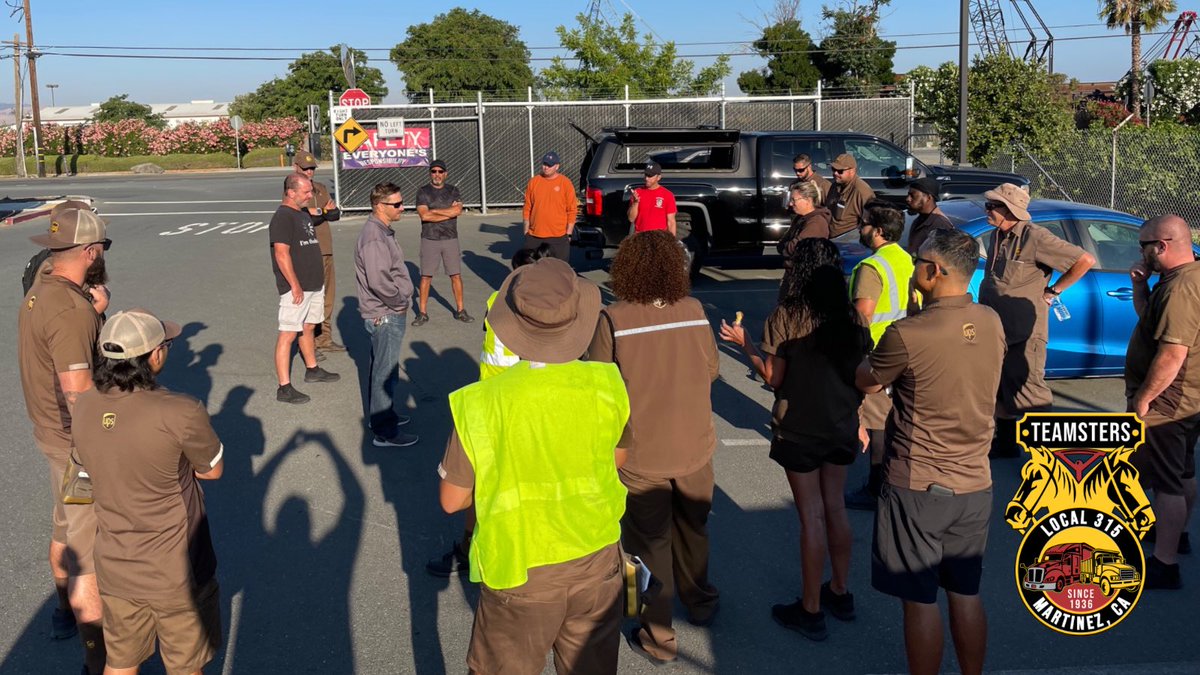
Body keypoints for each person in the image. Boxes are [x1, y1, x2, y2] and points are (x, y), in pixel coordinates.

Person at [438, 258, 630, 675]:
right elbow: (618, 458)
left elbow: (452, 500)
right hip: (597, 559)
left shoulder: (480, 403)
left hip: (520, 568)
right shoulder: (608, 383)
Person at [855, 229, 1005, 675]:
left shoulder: (908, 332)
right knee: (965, 592)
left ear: (934, 271)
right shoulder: (991, 321)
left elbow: (867, 379)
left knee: (919, 598)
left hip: (918, 483)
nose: (914, 267)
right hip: (975, 482)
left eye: (919, 261)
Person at [721, 238, 868, 642]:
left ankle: (811, 609)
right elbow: (861, 374)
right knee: (836, 506)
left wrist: (745, 344)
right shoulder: (853, 317)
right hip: (841, 424)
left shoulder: (787, 316)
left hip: (799, 427)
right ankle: (840, 591)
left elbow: (774, 377)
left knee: (811, 516)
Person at [588, 231, 720, 663]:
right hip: (695, 444)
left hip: (641, 452)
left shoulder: (613, 318)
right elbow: (712, 369)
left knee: (646, 544)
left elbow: (599, 387)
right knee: (694, 527)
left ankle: (657, 633)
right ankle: (701, 601)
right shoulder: (694, 310)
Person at [72, 309, 224, 675]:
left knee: (120, 662)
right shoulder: (181, 411)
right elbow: (212, 470)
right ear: (154, 355)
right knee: (185, 666)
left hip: (115, 564)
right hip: (175, 569)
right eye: (166, 343)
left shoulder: (84, 405)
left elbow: (80, 480)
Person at [17, 207, 111, 674]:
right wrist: (104, 448)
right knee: (87, 553)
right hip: (75, 445)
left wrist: (95, 310)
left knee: (64, 526)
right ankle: (99, 660)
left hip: (50, 434)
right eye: (103, 249)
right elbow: (78, 393)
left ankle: (60, 612)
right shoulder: (72, 312)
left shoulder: (42, 289)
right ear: (90, 252)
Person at [424, 244, 550, 578]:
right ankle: (512, 545)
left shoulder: (497, 300)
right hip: (520, 403)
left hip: (494, 402)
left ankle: (470, 548)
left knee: (482, 482)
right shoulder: (542, 309)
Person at [977, 183, 1095, 457]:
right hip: (998, 329)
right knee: (1001, 387)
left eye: (992, 206)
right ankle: (1006, 444)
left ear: (1009, 210)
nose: (987, 210)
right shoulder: (997, 234)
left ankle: (1050, 458)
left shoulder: (1036, 237)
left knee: (1031, 394)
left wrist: (1054, 291)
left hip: (1024, 333)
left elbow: (1085, 260)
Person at [1125, 214, 1200, 589]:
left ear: (1162, 246)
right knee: (1182, 470)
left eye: (1144, 246)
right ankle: (1177, 534)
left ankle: (1164, 564)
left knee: (1167, 481)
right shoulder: (1180, 278)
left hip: (1171, 400)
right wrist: (1140, 288)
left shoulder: (1181, 288)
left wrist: (1144, 398)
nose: (1141, 253)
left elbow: (1172, 353)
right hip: (1187, 396)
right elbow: (1149, 323)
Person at [845, 201, 914, 512]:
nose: (860, 228)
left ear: (879, 231)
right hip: (907, 345)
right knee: (896, 416)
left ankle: (877, 488)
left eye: (865, 224)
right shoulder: (905, 258)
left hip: (877, 348)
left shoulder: (872, 267)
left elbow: (863, 314)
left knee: (877, 422)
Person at [354, 182, 419, 448]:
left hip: (386, 311)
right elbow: (379, 280)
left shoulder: (381, 231)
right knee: (384, 372)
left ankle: (383, 416)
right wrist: (400, 302)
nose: (402, 208)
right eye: (397, 204)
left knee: (385, 369)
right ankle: (384, 431)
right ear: (380, 206)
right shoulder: (374, 237)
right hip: (385, 313)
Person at [270, 173, 340, 405]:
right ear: (291, 193)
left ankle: (312, 369)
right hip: (297, 287)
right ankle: (284, 387)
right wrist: (295, 285)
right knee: (288, 333)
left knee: (309, 327)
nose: (311, 195)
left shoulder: (301, 213)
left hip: (313, 283)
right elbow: (281, 254)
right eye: (306, 192)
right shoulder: (282, 217)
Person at [293, 150, 344, 354]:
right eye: (306, 168)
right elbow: (302, 218)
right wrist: (321, 212)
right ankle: (308, 343)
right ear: (296, 167)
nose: (309, 172)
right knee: (310, 299)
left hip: (326, 249)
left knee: (327, 297)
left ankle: (324, 338)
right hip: (307, 251)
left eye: (312, 168)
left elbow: (335, 214)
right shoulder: (293, 190)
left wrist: (319, 212)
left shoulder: (321, 188)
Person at [414, 159, 473, 326]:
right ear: (430, 174)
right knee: (426, 276)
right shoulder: (423, 191)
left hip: (450, 238)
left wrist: (434, 211)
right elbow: (424, 215)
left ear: (445, 174)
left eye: (440, 171)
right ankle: (422, 313)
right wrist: (448, 212)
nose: (437, 174)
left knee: (456, 275)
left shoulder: (453, 190)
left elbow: (458, 210)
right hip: (429, 238)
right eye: (434, 171)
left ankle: (460, 310)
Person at [522, 150, 578, 262]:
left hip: (558, 236)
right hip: (535, 236)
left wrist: (569, 233)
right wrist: (526, 231)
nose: (546, 167)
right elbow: (527, 208)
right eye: (544, 164)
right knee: (531, 267)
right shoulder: (534, 182)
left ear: (557, 166)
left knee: (559, 268)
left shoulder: (565, 183)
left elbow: (572, 210)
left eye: (549, 165)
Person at [776, 181, 833, 264]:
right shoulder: (799, 218)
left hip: (807, 269)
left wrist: (786, 246)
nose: (790, 204)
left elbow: (796, 247)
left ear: (808, 200)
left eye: (794, 200)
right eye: (790, 200)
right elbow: (781, 244)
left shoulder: (816, 223)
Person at [826, 153, 875, 237]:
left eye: (840, 171)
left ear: (852, 171)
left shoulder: (862, 192)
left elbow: (871, 223)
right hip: (830, 238)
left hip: (848, 241)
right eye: (833, 169)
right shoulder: (835, 186)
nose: (835, 173)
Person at [904, 177, 953, 255]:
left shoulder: (940, 225)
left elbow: (944, 257)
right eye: (908, 195)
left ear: (928, 198)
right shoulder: (919, 220)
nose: (908, 199)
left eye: (913, 195)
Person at [627, 160, 677, 235]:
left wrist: (672, 241)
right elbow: (631, 219)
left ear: (658, 177)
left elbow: (671, 222)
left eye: (650, 176)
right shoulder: (637, 193)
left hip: (659, 237)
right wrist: (635, 203)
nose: (647, 178)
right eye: (646, 175)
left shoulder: (667, 195)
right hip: (641, 236)